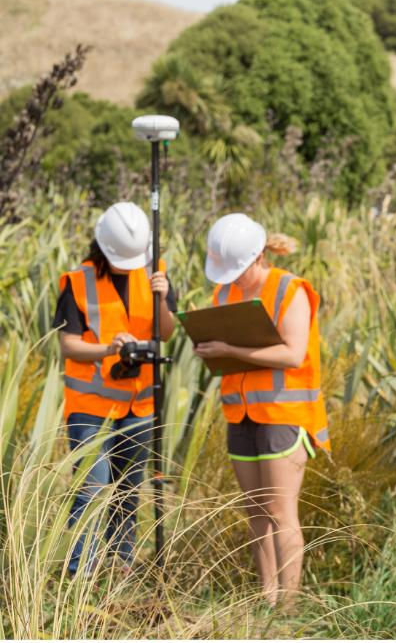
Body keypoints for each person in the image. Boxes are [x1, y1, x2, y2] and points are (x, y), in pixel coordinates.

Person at [194, 213, 329, 606]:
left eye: (236, 269)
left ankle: (288, 606)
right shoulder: (223, 294)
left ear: (257, 257)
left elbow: (293, 353)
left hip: (284, 416)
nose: (231, 276)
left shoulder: (290, 289)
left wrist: (230, 351)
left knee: (281, 510)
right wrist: (206, 349)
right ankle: (266, 597)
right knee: (255, 510)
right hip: (241, 415)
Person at [55, 201, 176, 576]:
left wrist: (163, 298)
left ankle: (119, 567)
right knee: (93, 486)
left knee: (127, 489)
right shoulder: (78, 281)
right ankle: (81, 573)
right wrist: (108, 349)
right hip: (89, 405)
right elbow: (68, 344)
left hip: (138, 404)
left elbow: (167, 333)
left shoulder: (155, 275)